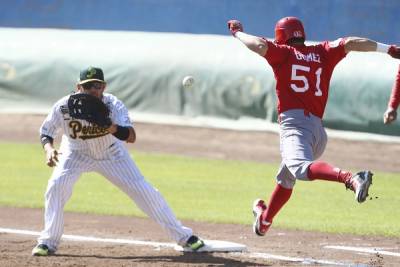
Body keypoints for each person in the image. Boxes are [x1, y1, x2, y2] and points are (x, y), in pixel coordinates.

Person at [227, 17, 400, 236]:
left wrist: (238, 33)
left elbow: (260, 45)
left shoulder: (284, 54)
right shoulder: (323, 52)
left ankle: (351, 178)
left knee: (298, 168)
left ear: (281, 36)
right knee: (286, 178)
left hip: (296, 128)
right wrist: (389, 49)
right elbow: (353, 42)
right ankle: (264, 220)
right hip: (317, 133)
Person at [32, 66, 205, 256]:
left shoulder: (113, 105)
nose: (93, 89)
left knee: (146, 192)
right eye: (88, 85)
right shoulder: (64, 106)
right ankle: (48, 242)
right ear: (78, 87)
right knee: (56, 187)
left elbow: (131, 137)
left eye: (97, 85)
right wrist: (49, 150)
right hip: (75, 153)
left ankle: (184, 237)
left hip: (112, 154)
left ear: (104, 87)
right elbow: (46, 131)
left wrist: (109, 126)